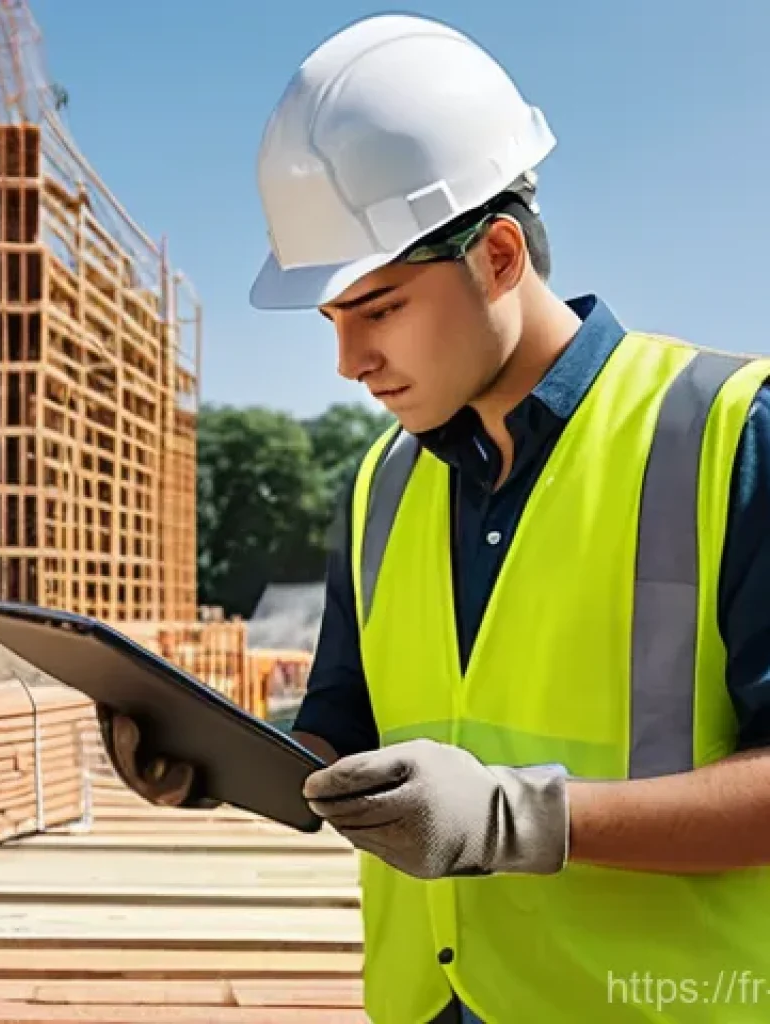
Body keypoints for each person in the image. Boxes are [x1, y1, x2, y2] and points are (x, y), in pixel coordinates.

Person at [96, 13, 770, 1023]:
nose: (348, 360)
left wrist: (513, 819)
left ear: (498, 255)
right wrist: (216, 766)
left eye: (379, 307)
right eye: (333, 320)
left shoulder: (727, 431)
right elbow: (337, 729)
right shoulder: (379, 485)